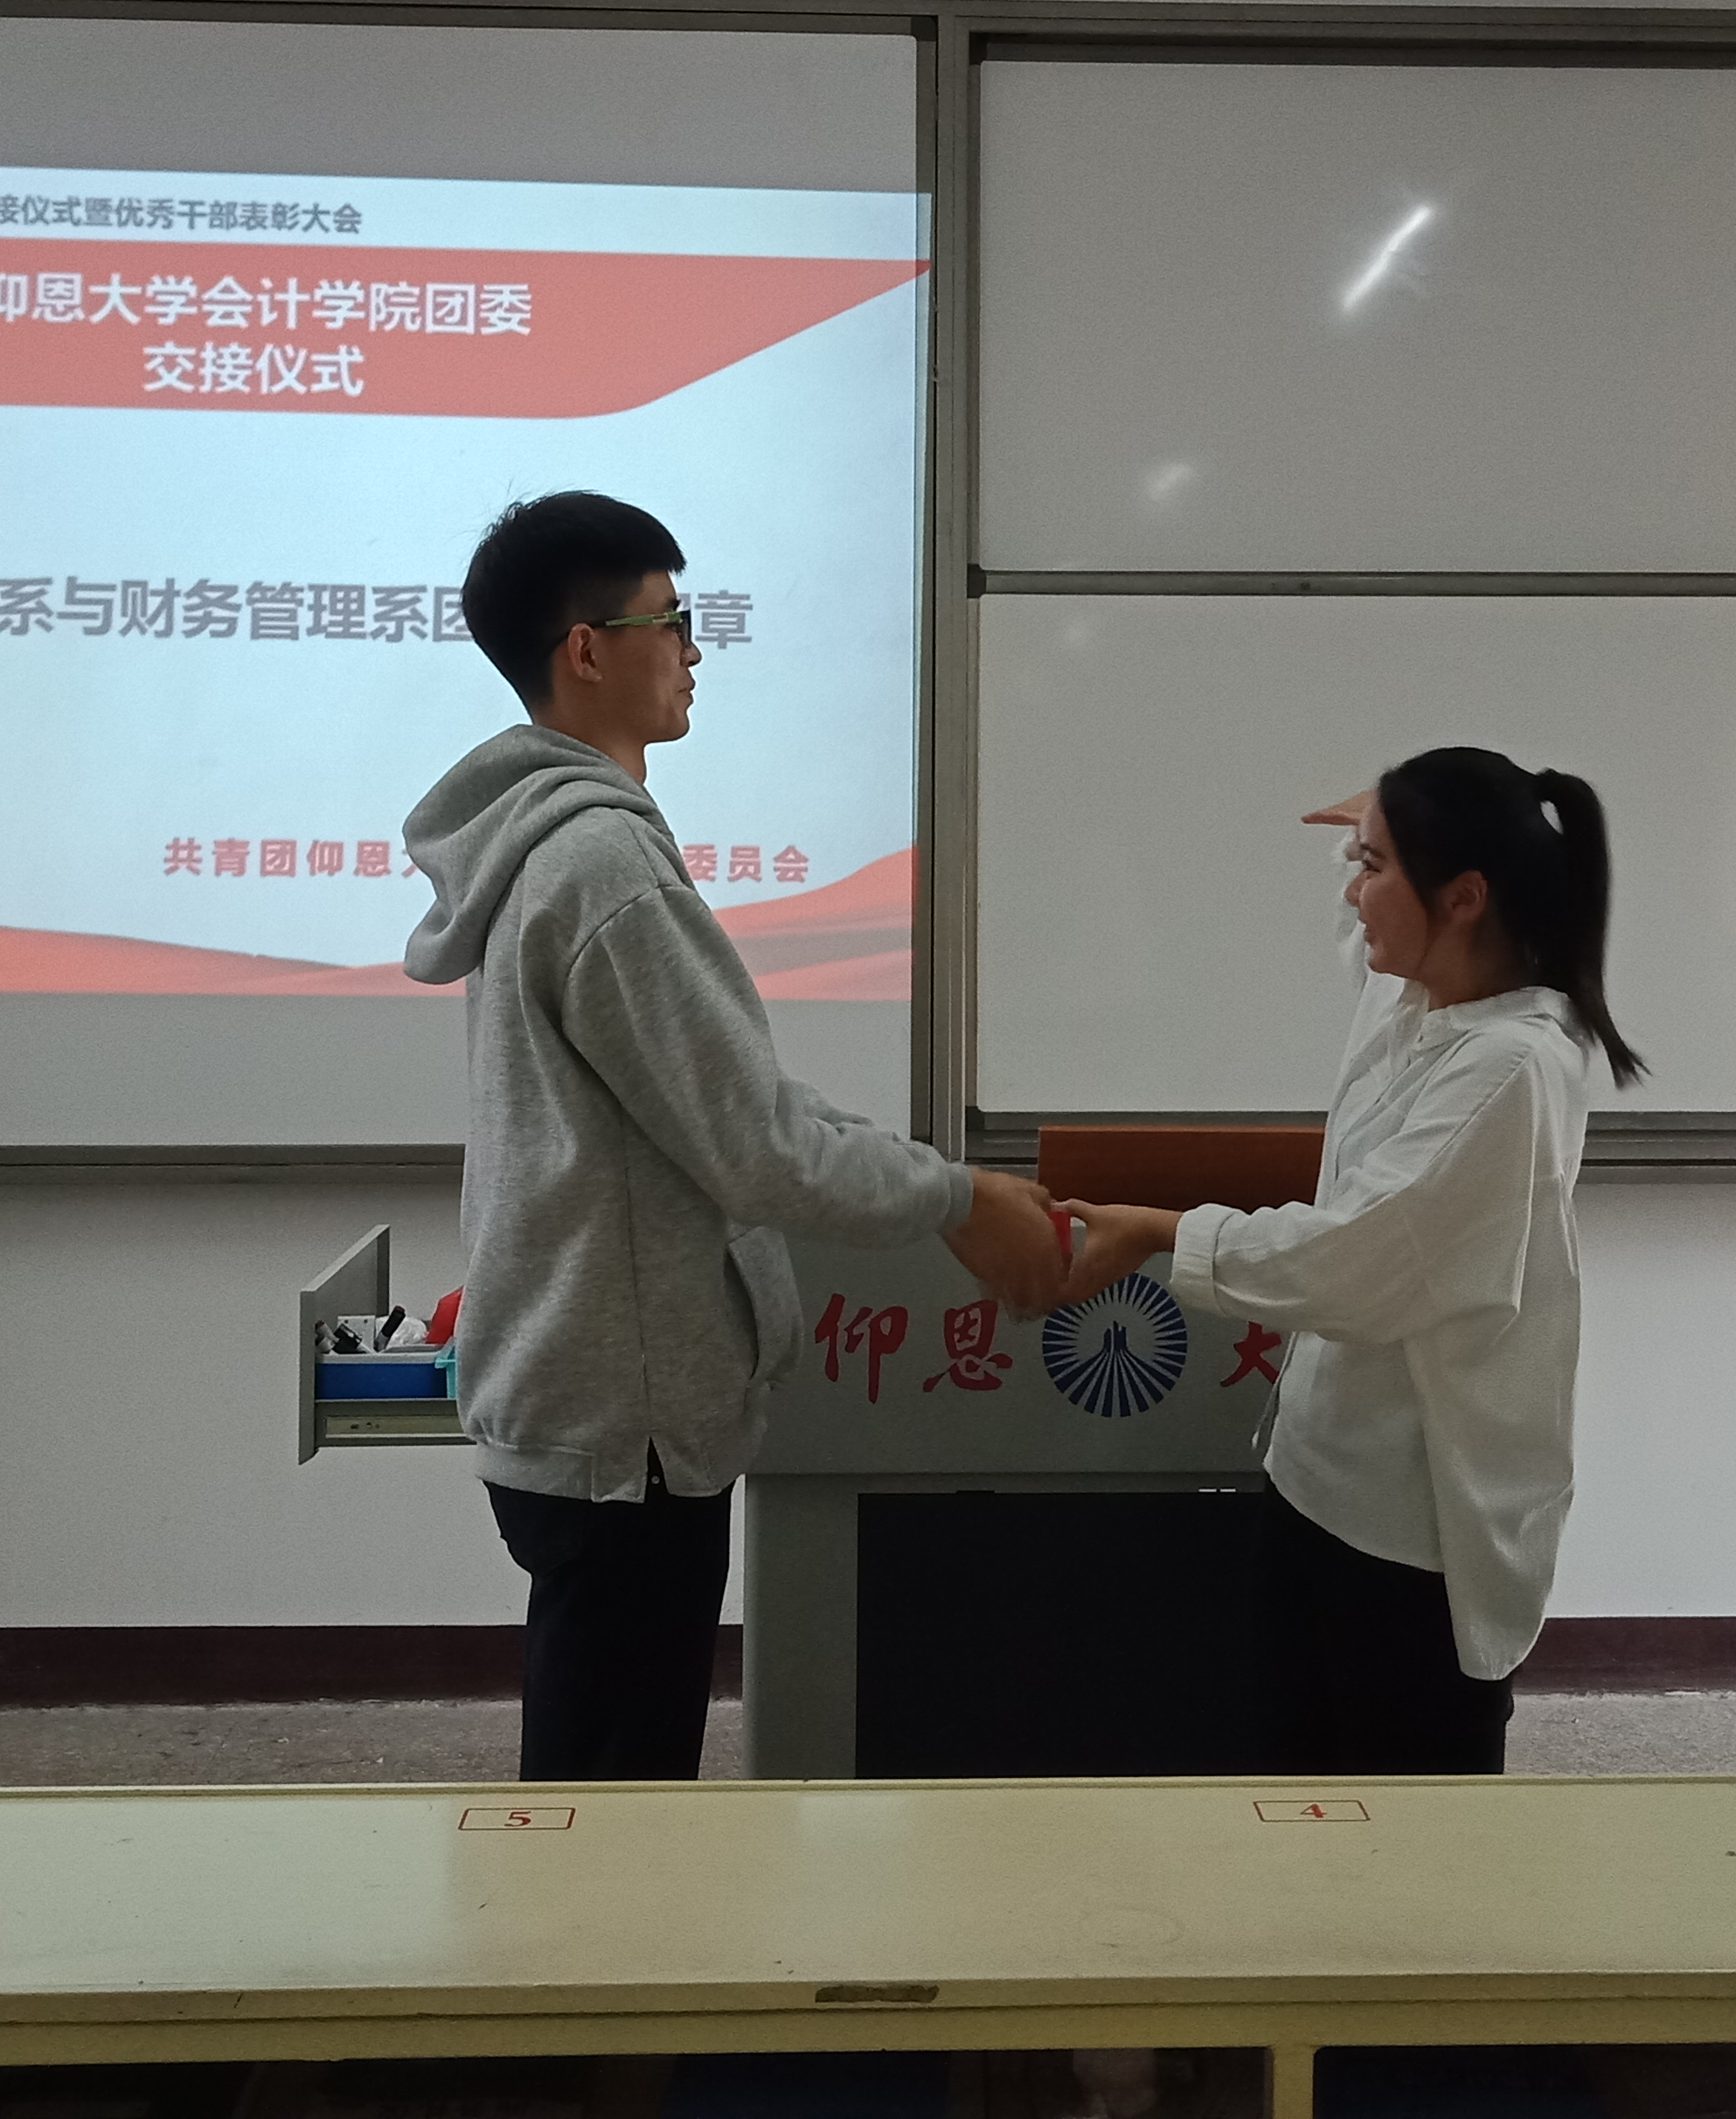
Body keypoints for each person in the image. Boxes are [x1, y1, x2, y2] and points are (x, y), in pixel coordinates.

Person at [404, 490, 1066, 1782]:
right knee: (612, 1804)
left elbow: (734, 1100)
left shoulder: (562, 849)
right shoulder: (601, 867)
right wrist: (959, 1200)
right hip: (628, 1426)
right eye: (670, 620)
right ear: (585, 650)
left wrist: (939, 1180)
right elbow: (754, 1144)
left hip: (595, 1401)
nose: (695, 648)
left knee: (596, 1776)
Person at [1057, 747, 1640, 1775]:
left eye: (1371, 866)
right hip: (1317, 1475)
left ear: (1463, 897)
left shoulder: (1509, 1069)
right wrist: (1383, 823)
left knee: (1401, 1827)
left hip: (1408, 1530)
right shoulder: (1420, 998)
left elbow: (1347, 1262)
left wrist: (1157, 1231)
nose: (1349, 892)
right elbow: (1368, 927)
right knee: (1297, 1787)